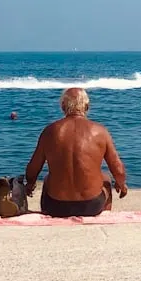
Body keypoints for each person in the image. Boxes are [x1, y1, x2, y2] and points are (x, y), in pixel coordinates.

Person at [24, 88, 128, 218]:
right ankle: (104, 216)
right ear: (87, 106)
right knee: (106, 179)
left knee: (47, 179)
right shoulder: (100, 131)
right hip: (91, 206)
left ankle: (47, 212)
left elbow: (33, 169)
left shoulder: (50, 131)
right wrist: (121, 184)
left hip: (56, 207)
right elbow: (118, 169)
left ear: (63, 106)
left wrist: (30, 184)